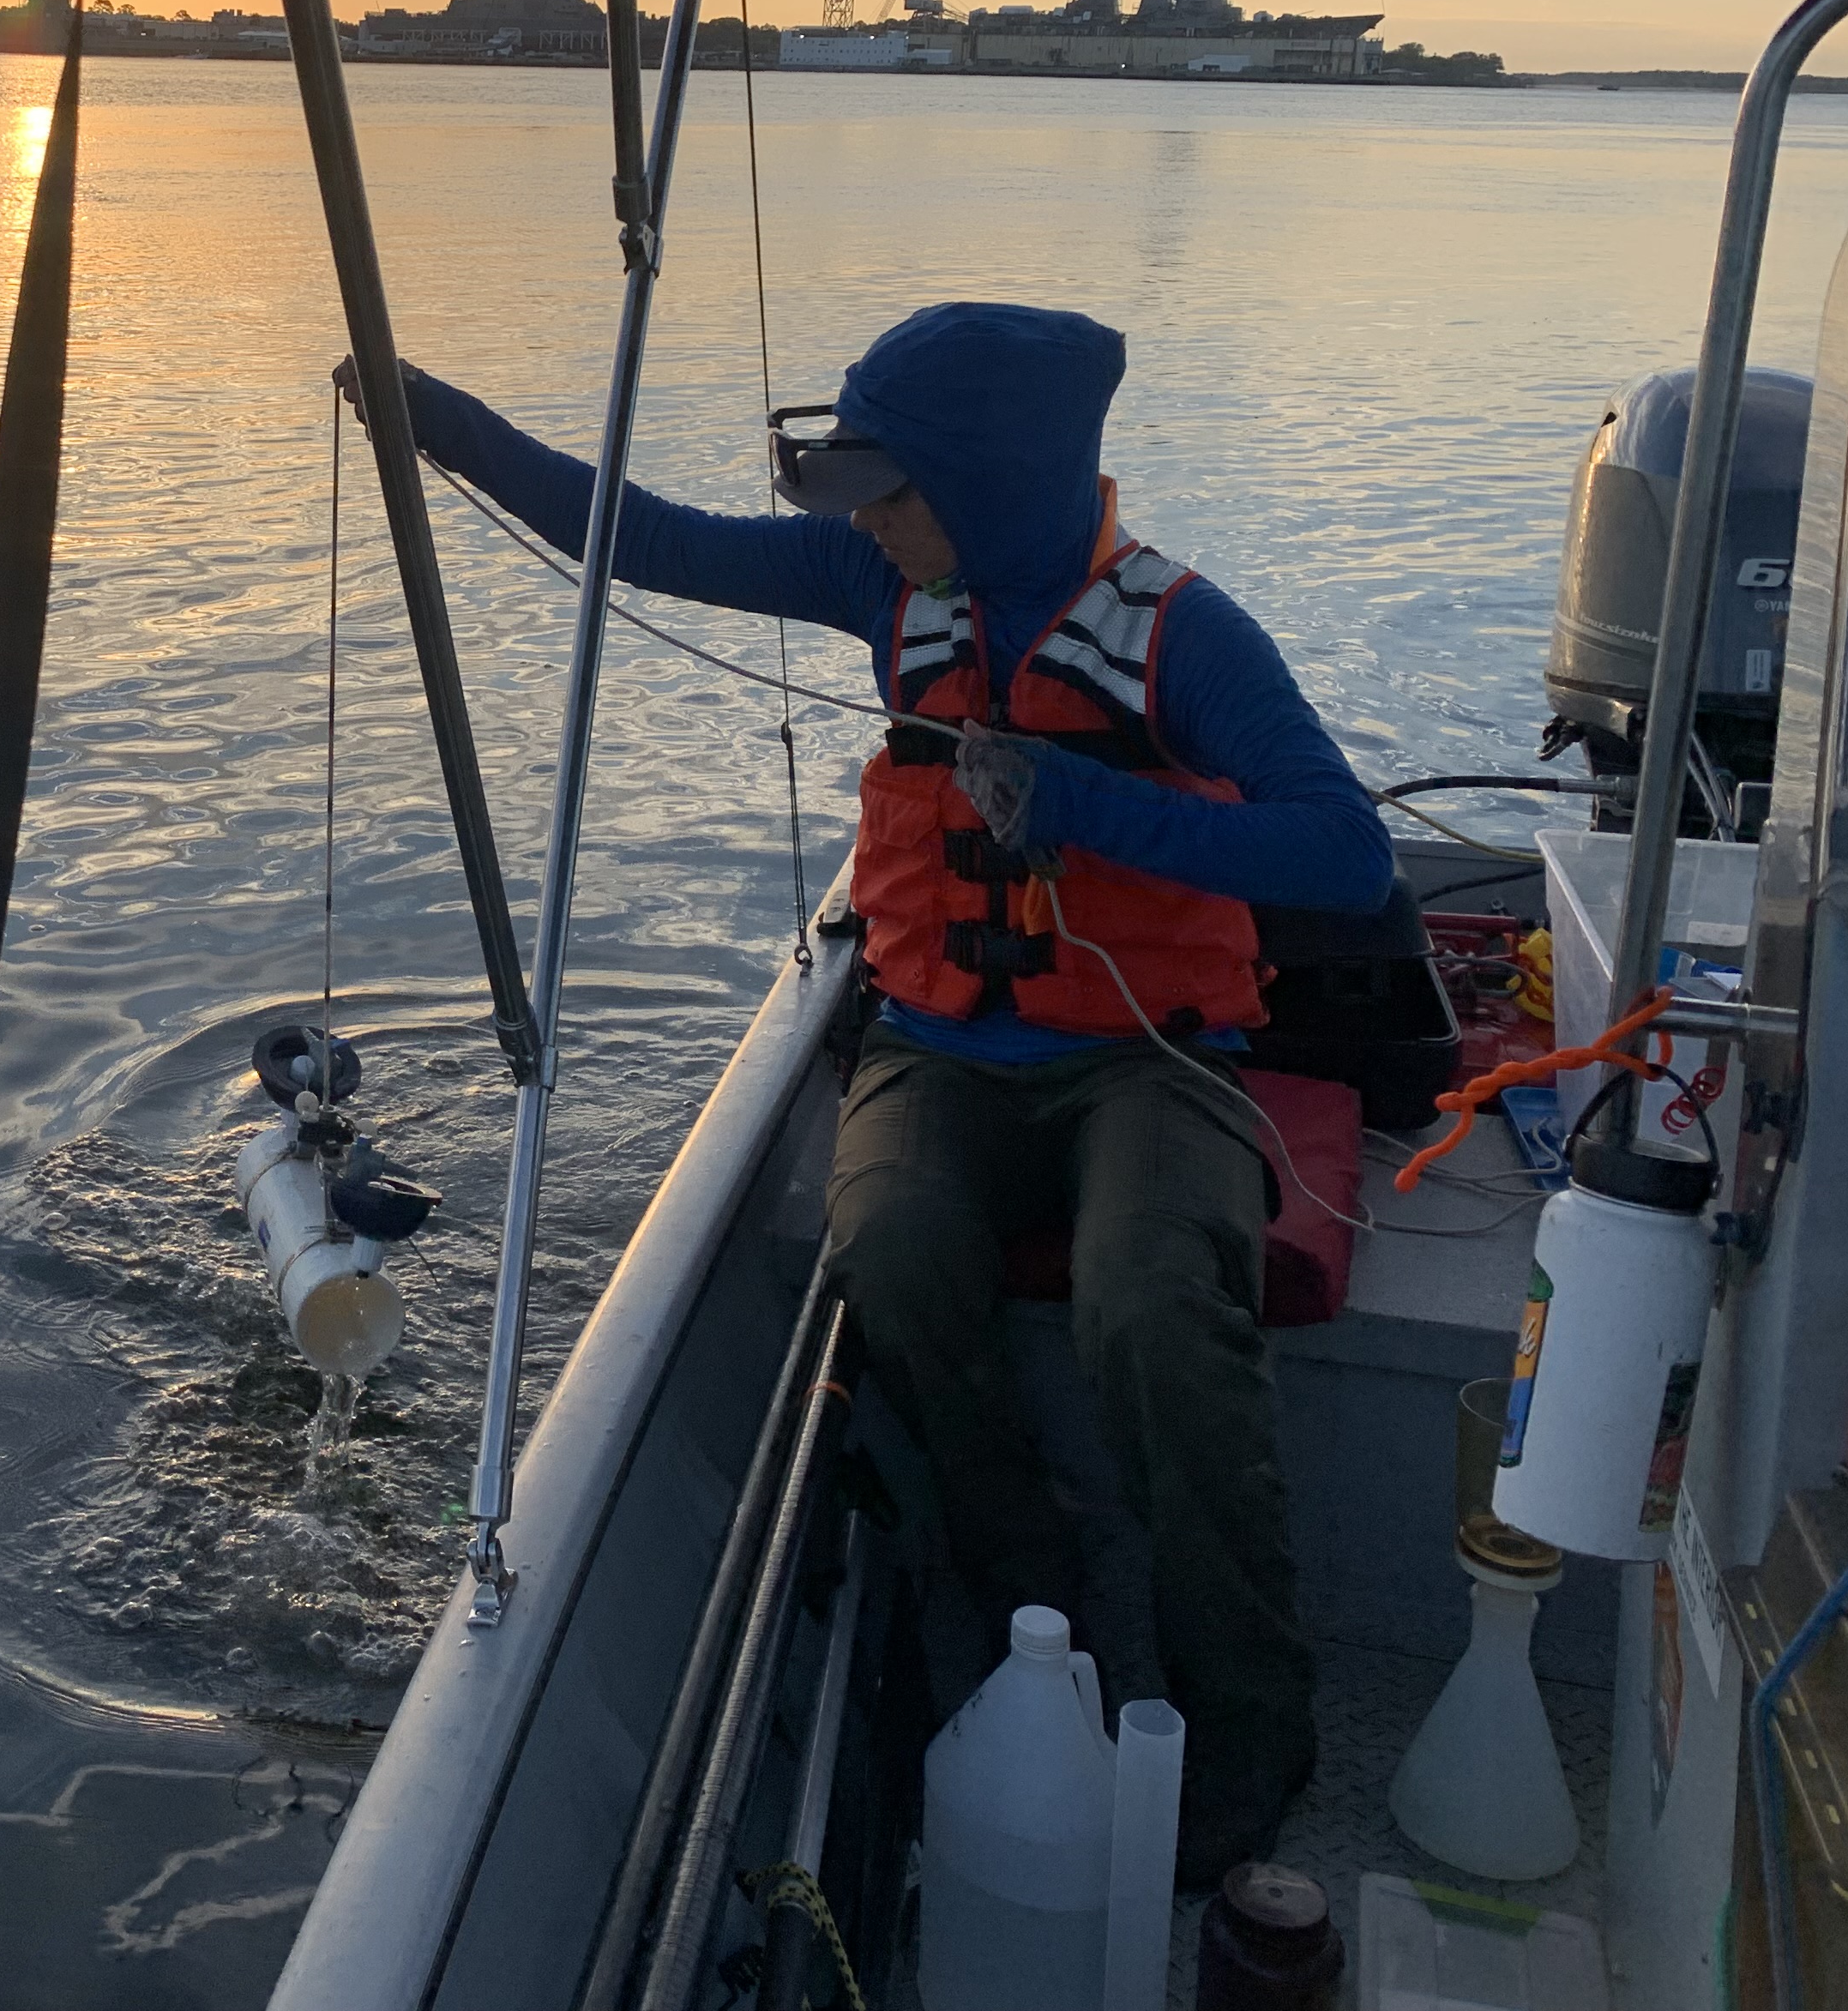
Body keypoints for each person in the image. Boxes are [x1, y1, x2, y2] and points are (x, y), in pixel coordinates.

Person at [349, 301, 1389, 1885]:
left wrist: (1096, 808)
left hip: (1151, 1063)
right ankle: (1034, 1615)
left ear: (995, 487)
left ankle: (1246, 1730)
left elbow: (1345, 851)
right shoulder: (878, 582)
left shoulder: (1180, 632)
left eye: (891, 493)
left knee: (1150, 1302)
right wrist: (435, 418)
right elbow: (652, 540)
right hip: (934, 1049)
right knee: (889, 1253)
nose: (866, 525)